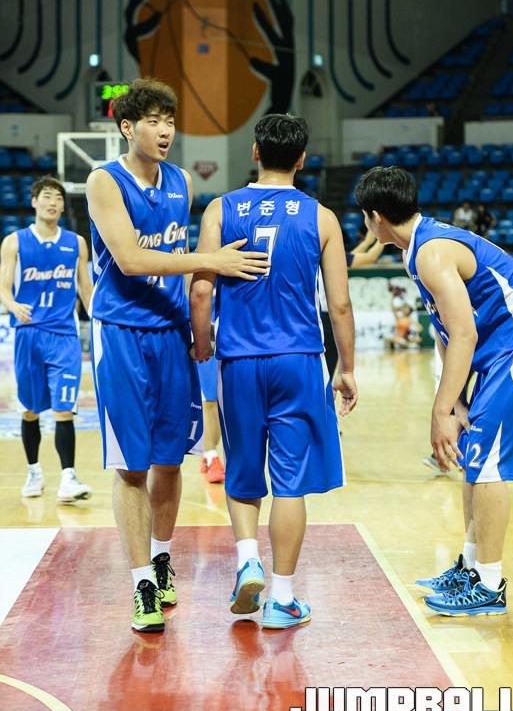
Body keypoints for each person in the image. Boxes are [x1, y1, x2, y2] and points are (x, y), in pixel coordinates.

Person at [86, 77, 269, 633]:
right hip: (121, 332)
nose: (166, 131)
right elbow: (132, 260)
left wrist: (199, 326)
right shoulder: (103, 180)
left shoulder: (181, 182)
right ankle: (141, 582)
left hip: (171, 334)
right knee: (131, 465)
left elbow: (177, 254)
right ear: (128, 127)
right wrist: (210, 260)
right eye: (154, 121)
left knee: (170, 459)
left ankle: (161, 559)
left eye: (170, 121)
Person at [190, 113, 357, 629]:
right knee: (290, 483)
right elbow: (339, 305)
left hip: (239, 359)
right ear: (302, 159)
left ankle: (247, 561)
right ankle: (282, 598)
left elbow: (200, 289)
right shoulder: (322, 218)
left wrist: (202, 342)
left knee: (242, 470)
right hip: (299, 360)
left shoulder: (220, 209)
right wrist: (347, 368)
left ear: (255, 153)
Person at [356, 166, 513, 616]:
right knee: (473, 460)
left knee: (488, 465)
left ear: (377, 217)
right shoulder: (415, 249)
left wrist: (439, 412)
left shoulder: (432, 252)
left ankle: (490, 585)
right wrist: (455, 402)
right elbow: (445, 329)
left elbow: (464, 333)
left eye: (364, 217)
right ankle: (473, 569)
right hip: (498, 353)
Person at [0, 176, 93, 503]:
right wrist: (12, 305)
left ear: (63, 206)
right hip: (29, 334)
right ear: (34, 201)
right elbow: (3, 287)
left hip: (64, 336)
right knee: (30, 409)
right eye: (47, 196)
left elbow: (85, 288)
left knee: (64, 408)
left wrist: (99, 319)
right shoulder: (15, 242)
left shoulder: (76, 243)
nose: (53, 202)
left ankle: (68, 477)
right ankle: (34, 471)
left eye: (58, 198)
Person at [322, 229, 384, 380]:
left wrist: (367, 242)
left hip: (316, 314)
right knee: (328, 365)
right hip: (326, 316)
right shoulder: (328, 255)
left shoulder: (319, 253)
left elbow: (348, 259)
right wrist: (384, 237)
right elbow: (370, 257)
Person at [197, 294, 225, 484]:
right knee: (209, 397)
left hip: (233, 322)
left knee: (225, 399)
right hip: (206, 322)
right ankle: (210, 455)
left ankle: (210, 453)